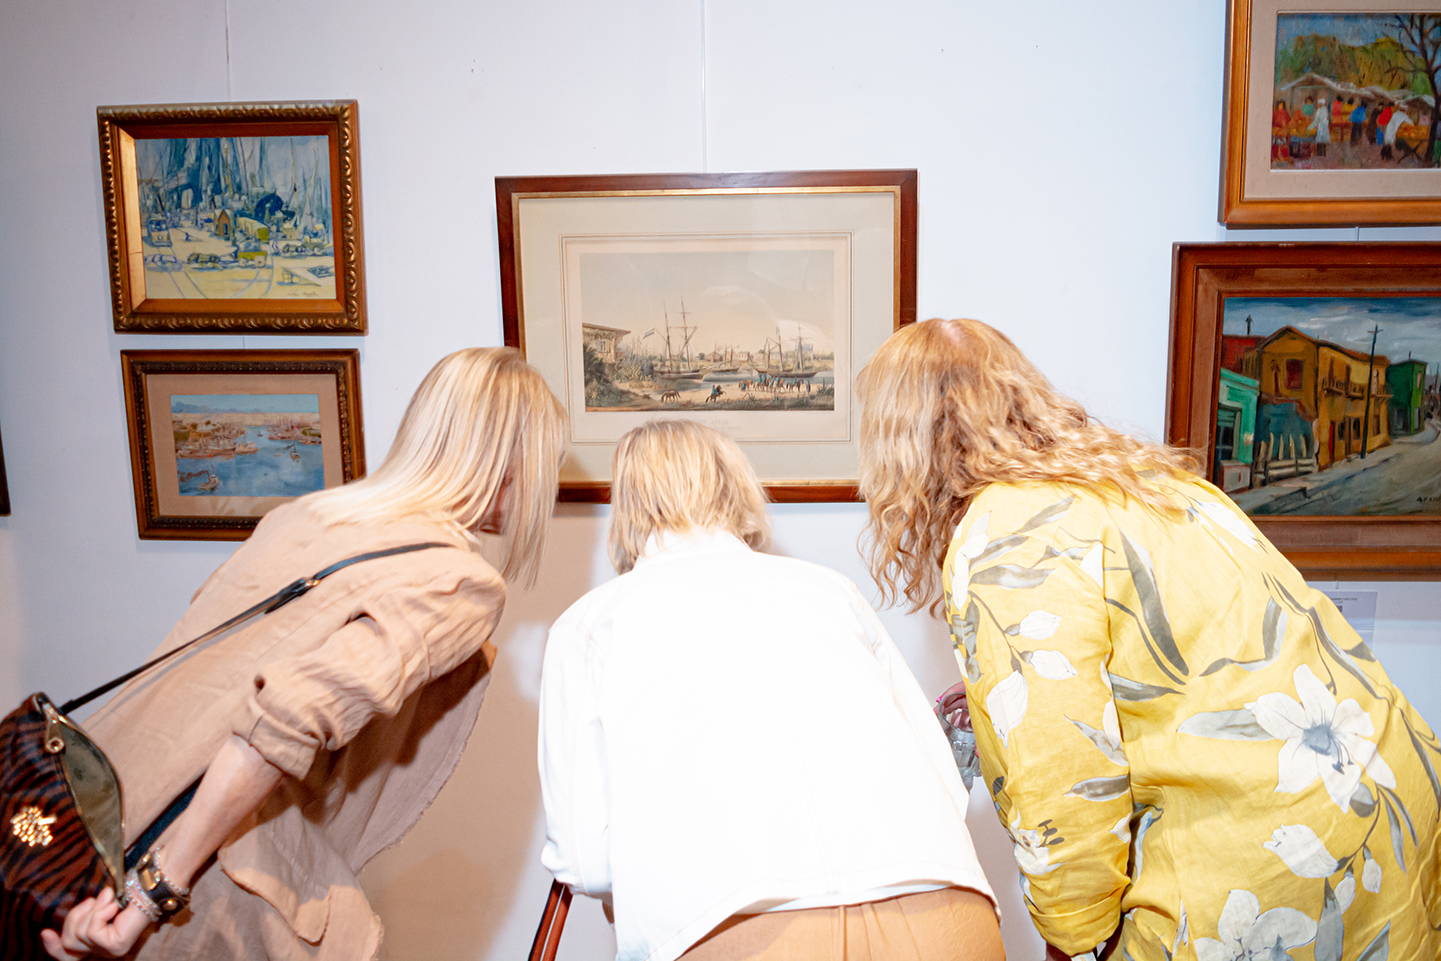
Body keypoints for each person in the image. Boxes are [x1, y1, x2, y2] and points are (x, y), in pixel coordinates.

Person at [855, 318, 1440, 961]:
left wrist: (1073, 935)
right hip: (1386, 794)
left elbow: (1065, 783)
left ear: (902, 442)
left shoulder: (1003, 536)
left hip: (1281, 855)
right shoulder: (1142, 477)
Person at [44, 347, 568, 960]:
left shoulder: (308, 516)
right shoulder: (458, 581)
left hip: (103, 808)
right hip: (208, 865)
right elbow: (285, 716)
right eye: (545, 466)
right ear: (508, 465)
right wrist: (152, 894)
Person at [538, 419, 1002, 961]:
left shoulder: (590, 623)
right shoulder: (830, 589)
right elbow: (945, 783)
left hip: (736, 927)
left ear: (628, 505)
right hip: (943, 908)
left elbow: (585, 864)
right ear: (738, 487)